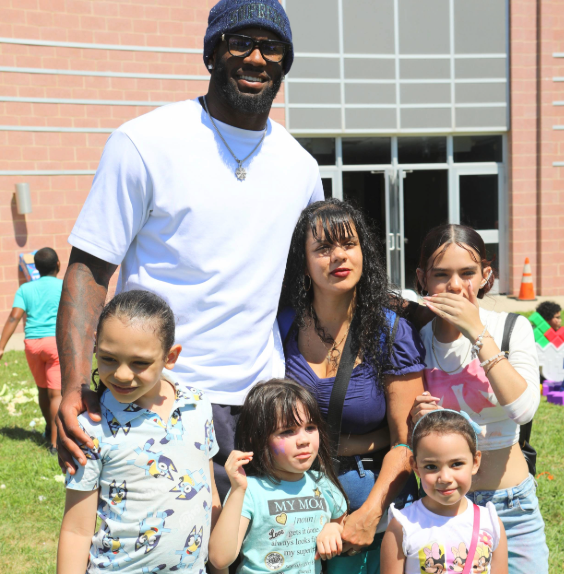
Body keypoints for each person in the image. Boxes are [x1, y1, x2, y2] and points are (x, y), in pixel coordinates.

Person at [55, 0, 323, 502]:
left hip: (262, 405)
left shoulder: (301, 167)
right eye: (240, 41)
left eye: (273, 49)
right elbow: (89, 268)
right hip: (156, 396)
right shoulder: (145, 142)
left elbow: (309, 290)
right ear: (210, 52)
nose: (257, 58)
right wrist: (71, 387)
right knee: (155, 548)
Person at [279, 199, 426, 574]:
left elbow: (406, 442)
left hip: (366, 513)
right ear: (304, 261)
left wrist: (368, 514)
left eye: (349, 244)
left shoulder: (391, 332)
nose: (339, 257)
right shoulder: (280, 328)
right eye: (323, 248)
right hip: (291, 513)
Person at [411, 224, 548, 574]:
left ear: (486, 276)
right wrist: (417, 418)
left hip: (511, 508)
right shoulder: (414, 341)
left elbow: (523, 408)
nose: (456, 285)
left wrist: (476, 331)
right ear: (422, 278)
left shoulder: (510, 328)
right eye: (441, 275)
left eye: (467, 273)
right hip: (444, 509)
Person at [56, 290, 220, 573]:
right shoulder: (90, 427)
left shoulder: (198, 406)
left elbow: (211, 496)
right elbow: (77, 531)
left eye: (139, 363)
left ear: (170, 357)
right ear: (95, 347)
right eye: (108, 358)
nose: (121, 374)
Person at [209, 379, 347, 574]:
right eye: (288, 431)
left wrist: (333, 529)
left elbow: (342, 521)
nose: (304, 440)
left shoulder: (322, 483)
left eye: (310, 427)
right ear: (257, 438)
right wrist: (238, 490)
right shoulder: (248, 490)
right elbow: (219, 558)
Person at [381, 410, 508, 574]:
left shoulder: (490, 523)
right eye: (431, 467)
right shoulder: (403, 526)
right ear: (415, 466)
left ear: (475, 462)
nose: (445, 478)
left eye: (456, 464)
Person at [0, 247, 62, 452]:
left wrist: (1, 347)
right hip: (55, 343)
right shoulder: (64, 286)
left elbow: (13, 317)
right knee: (56, 394)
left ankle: (47, 427)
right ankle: (54, 443)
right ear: (58, 265)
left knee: (42, 389)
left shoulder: (25, 289)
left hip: (33, 344)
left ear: (36, 268)